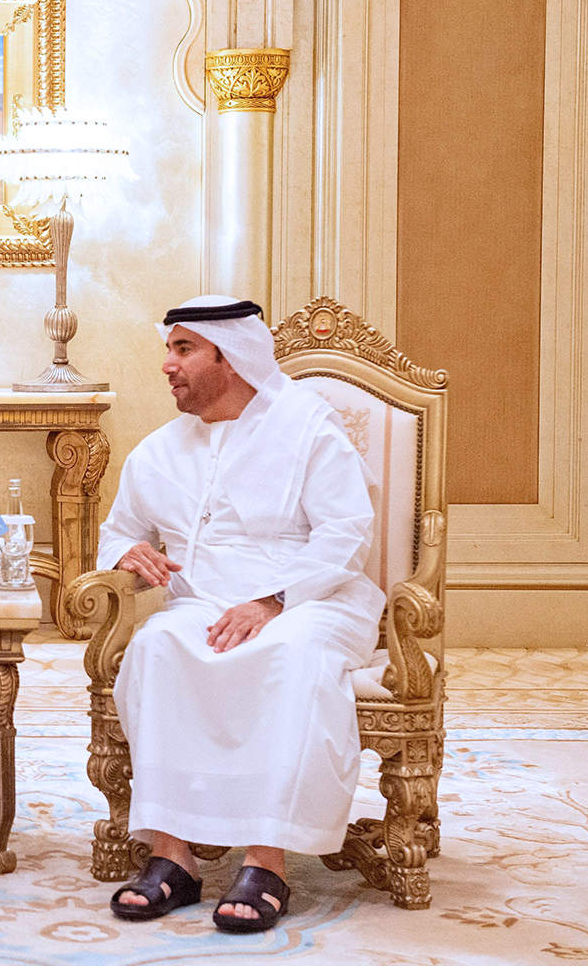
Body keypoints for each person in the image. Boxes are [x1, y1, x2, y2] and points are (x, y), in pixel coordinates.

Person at [97, 295, 383, 933]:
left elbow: (346, 535)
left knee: (288, 653)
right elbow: (118, 532)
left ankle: (266, 860)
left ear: (231, 358)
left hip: (312, 599)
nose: (167, 365)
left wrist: (272, 601)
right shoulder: (160, 449)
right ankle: (172, 857)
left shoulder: (307, 428)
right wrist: (129, 553)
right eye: (168, 349)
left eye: (183, 349)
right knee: (158, 646)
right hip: (202, 602)